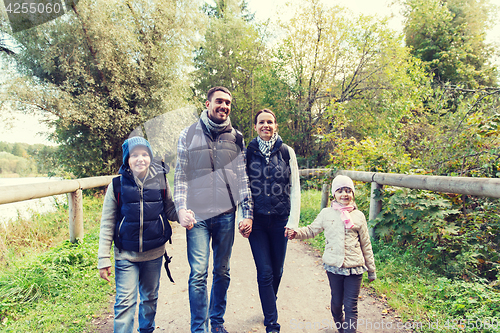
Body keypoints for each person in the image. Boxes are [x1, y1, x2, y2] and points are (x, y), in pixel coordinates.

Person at [174, 86, 253, 333]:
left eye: (228, 103)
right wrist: (181, 208)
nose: (224, 106)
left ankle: (216, 322)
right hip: (197, 217)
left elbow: (243, 179)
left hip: (226, 216)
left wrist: (246, 213)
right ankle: (199, 328)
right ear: (207, 104)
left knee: (222, 271)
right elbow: (180, 177)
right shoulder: (187, 135)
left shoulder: (237, 138)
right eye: (219, 101)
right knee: (198, 273)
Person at [97, 136, 180, 333]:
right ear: (127, 159)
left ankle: (146, 330)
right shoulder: (116, 186)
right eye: (134, 155)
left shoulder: (161, 182)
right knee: (125, 302)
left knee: (150, 299)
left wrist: (186, 212)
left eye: (144, 154)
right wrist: (103, 258)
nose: (140, 159)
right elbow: (107, 223)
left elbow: (170, 211)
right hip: (126, 255)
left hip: (154, 254)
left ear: (150, 157)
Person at [287, 175, 376, 333]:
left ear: (353, 194)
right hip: (334, 267)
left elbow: (366, 244)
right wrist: (296, 233)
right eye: (340, 190)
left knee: (351, 306)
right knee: (336, 303)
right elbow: (311, 230)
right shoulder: (326, 214)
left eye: (348, 190)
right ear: (334, 194)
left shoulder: (359, 216)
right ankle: (341, 327)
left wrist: (371, 270)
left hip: (354, 267)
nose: (344, 194)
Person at [245, 109, 300, 333]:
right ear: (255, 127)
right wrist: (244, 217)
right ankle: (272, 322)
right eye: (261, 122)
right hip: (257, 223)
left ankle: (269, 303)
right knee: (265, 272)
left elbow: (295, 188)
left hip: (280, 222)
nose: (265, 125)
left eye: (270, 122)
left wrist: (293, 222)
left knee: (277, 272)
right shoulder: (248, 152)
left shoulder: (287, 152)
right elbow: (243, 188)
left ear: (276, 125)